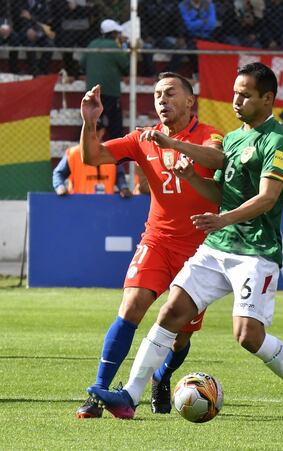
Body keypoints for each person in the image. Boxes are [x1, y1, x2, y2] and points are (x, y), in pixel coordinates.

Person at [88, 62, 283, 422]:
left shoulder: (278, 141)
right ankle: (129, 395)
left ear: (268, 98)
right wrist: (192, 179)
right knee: (171, 313)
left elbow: (267, 198)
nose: (236, 100)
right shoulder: (234, 138)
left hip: (256, 251)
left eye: (245, 95)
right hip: (218, 245)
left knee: (248, 336)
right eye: (234, 93)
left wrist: (222, 217)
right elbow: (219, 190)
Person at [76, 71, 224, 418]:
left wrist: (173, 145)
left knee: (179, 336)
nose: (162, 99)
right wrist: (89, 122)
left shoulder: (209, 135)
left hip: (199, 250)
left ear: (190, 101)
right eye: (157, 94)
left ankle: (162, 376)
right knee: (131, 307)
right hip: (157, 240)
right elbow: (92, 157)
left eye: (170, 93)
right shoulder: (143, 138)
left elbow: (215, 158)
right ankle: (99, 394)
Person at [52, 117, 131, 197]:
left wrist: (123, 187)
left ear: (102, 132)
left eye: (96, 131)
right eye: (89, 131)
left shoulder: (111, 153)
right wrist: (60, 187)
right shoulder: (73, 154)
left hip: (106, 204)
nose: (92, 134)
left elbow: (119, 175)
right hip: (79, 204)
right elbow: (59, 173)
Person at [80, 18, 129, 139]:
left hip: (92, 91)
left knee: (93, 122)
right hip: (110, 91)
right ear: (113, 34)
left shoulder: (92, 44)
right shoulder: (115, 46)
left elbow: (82, 64)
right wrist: (124, 47)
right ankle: (115, 152)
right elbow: (126, 66)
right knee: (115, 126)